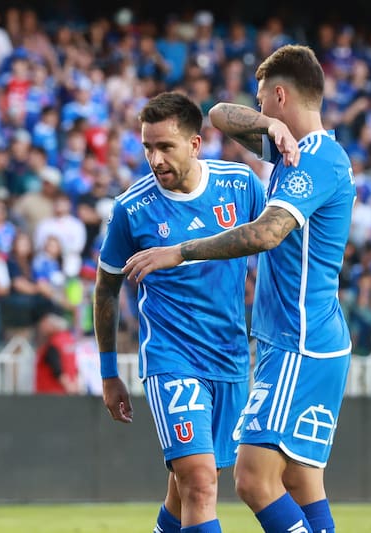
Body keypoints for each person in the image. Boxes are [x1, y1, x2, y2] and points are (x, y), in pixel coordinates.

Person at [123, 45, 355, 533]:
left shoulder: (314, 159)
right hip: (300, 337)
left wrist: (180, 251)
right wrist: (270, 126)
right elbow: (217, 114)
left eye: (263, 101)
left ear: (279, 93)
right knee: (300, 480)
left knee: (252, 479)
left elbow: (266, 233)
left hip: (299, 340)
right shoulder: (296, 149)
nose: (258, 109)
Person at [95, 91, 265, 533]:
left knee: (186, 485)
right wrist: (109, 371)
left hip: (229, 358)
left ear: (195, 143)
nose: (154, 159)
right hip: (172, 358)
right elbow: (106, 289)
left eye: (164, 146)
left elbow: (274, 240)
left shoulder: (241, 185)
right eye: (147, 147)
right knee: (200, 482)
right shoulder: (132, 209)